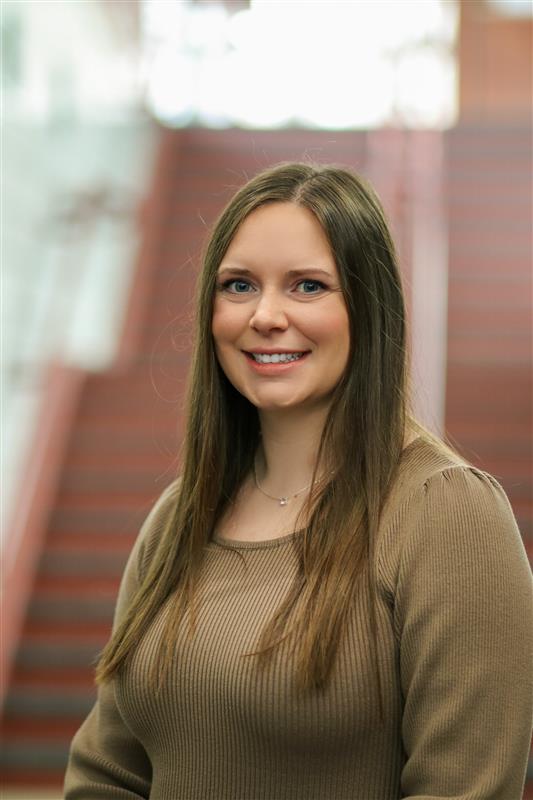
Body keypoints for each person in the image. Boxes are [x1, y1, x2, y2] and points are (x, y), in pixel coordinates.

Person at [64, 163, 533, 799]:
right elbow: (106, 774)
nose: (265, 315)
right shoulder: (180, 517)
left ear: (369, 308)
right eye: (238, 286)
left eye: (308, 286)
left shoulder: (447, 513)